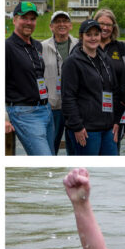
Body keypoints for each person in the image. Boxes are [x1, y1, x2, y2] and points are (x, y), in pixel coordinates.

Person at [60, 19, 123, 155]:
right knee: (87, 171)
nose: (93, 38)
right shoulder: (72, 62)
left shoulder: (106, 60)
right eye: (89, 35)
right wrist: (77, 126)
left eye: (96, 34)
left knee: (109, 172)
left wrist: (116, 121)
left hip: (108, 128)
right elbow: (68, 97)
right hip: (86, 130)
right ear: (81, 36)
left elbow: (115, 91)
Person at [4, 1, 53, 155]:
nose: (29, 22)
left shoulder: (37, 46)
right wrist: (3, 117)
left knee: (51, 159)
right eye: (24, 18)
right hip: (24, 112)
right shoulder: (7, 47)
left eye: (32, 19)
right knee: (44, 159)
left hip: (45, 109)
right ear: (14, 20)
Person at [42, 11, 78, 154]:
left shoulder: (79, 45)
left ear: (70, 25)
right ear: (51, 26)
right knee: (51, 147)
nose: (61, 24)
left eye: (65, 21)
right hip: (52, 107)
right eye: (57, 22)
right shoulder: (42, 47)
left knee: (75, 148)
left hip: (75, 107)